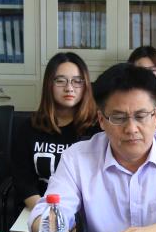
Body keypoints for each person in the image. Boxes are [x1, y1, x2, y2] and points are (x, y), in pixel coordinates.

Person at [29, 63, 156, 232]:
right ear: (101, 120)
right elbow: (44, 213)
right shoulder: (76, 158)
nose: (131, 128)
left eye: (141, 116)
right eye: (118, 118)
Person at [12, 53, 99, 211]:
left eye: (77, 81)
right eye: (60, 80)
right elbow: (24, 181)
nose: (69, 88)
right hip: (39, 208)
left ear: (86, 85)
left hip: (86, 212)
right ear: (49, 85)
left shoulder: (97, 128)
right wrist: (48, 213)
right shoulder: (29, 127)